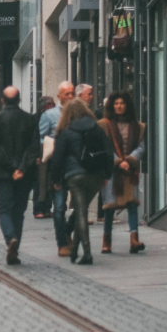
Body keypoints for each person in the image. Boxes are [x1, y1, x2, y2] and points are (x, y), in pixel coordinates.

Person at [49, 98, 114, 265]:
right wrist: (106, 175)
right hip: (95, 176)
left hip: (75, 176)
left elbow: (57, 157)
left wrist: (56, 179)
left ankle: (87, 253)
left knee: (81, 212)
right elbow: (108, 151)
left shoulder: (65, 130)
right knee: (81, 210)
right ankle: (76, 250)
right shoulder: (96, 128)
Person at [0, 87, 40, 265]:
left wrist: (11, 167)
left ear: (2, 100)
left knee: (4, 209)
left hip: (3, 173)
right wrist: (22, 168)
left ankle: (10, 239)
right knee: (19, 211)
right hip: (24, 174)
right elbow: (33, 147)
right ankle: (14, 246)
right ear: (19, 100)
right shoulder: (30, 119)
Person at [97, 91, 147, 254]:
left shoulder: (137, 126)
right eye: (116, 103)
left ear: (127, 105)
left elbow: (141, 146)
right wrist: (118, 162)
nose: (119, 106)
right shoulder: (104, 125)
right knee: (110, 206)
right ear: (112, 106)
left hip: (130, 170)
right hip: (112, 171)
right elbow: (104, 147)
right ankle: (107, 240)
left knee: (132, 204)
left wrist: (130, 160)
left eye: (122, 103)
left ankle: (134, 239)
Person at [42, 81, 76, 257]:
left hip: (77, 165)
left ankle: (68, 229)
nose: (71, 97)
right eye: (67, 94)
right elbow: (41, 138)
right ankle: (61, 243)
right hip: (58, 166)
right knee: (60, 206)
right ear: (59, 96)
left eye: (72, 93)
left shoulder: (79, 113)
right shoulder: (49, 115)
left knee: (80, 206)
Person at [31, 96, 57, 218]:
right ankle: (38, 209)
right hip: (41, 154)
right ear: (45, 106)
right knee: (40, 182)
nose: (53, 106)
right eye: (51, 104)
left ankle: (47, 208)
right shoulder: (35, 119)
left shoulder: (56, 116)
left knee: (50, 182)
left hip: (53, 152)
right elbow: (34, 138)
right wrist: (36, 154)